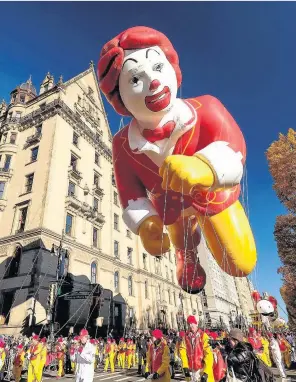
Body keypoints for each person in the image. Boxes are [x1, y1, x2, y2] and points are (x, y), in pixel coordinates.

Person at [98, 26, 256, 296]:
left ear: (172, 68)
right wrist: (146, 223)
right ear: (121, 99)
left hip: (212, 194)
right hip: (170, 207)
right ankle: (186, 252)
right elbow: (129, 193)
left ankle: (199, 238)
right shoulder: (122, 144)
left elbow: (234, 145)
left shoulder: (207, 107)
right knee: (180, 234)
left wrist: (206, 167)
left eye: (158, 66)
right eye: (135, 80)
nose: (154, 82)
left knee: (239, 262)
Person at [179, 315, 214, 382]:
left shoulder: (203, 336)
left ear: (196, 323)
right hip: (191, 370)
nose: (191, 325)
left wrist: (206, 372)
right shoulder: (186, 337)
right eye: (189, 324)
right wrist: (185, 366)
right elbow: (182, 351)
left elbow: (209, 355)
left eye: (192, 323)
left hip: (201, 369)